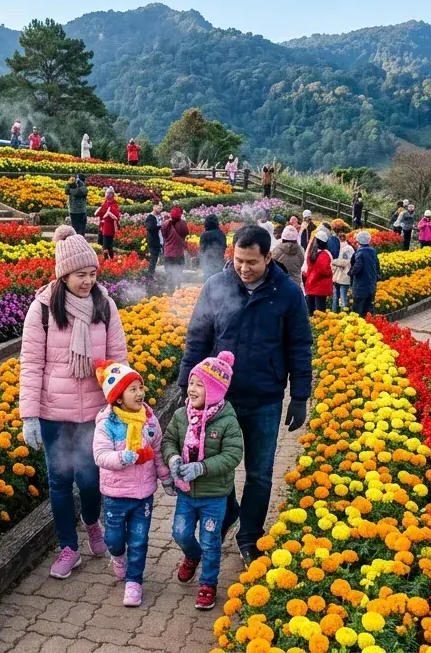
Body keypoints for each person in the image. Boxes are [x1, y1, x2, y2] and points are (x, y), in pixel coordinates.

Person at [178, 224, 312, 564]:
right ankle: (230, 509)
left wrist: (299, 395)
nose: (244, 268)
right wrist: (186, 386)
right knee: (220, 467)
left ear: (268, 257)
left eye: (252, 262)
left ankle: (250, 536)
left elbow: (299, 345)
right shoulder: (216, 286)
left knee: (260, 472)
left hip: (265, 398)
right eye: (238, 260)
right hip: (220, 402)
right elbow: (197, 339)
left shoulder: (288, 293)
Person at [18, 226, 129, 579]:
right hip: (53, 412)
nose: (87, 281)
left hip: (94, 413)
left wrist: (124, 405)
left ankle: (92, 522)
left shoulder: (105, 306)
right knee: (59, 480)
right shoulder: (42, 310)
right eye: (81, 275)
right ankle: (68, 547)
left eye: (92, 273)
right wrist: (29, 416)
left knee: (91, 479)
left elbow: (117, 361)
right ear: (63, 274)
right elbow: (31, 364)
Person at [165, 351, 244, 611]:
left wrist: (202, 467)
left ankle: (208, 583)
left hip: (214, 495)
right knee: (180, 532)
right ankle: (192, 554)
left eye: (200, 385)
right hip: (186, 493)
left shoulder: (227, 421)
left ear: (214, 390)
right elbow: (168, 442)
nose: (193, 389)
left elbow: (232, 455)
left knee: (211, 541)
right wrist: (174, 458)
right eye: (191, 383)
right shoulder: (180, 416)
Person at [92, 359, 170, 607]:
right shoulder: (107, 424)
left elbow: (157, 449)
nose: (140, 393)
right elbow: (100, 456)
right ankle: (118, 557)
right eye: (132, 389)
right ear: (117, 397)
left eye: (140, 387)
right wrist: (121, 458)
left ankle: (134, 582)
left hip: (143, 493)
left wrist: (165, 477)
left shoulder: (149, 420)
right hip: (115, 494)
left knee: (139, 539)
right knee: (114, 539)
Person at [303, 225, 333, 315]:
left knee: (311, 311)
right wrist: (330, 272)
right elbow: (324, 270)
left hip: (311, 282)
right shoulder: (324, 254)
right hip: (320, 285)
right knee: (320, 311)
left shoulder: (311, 253)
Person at [349, 230, 378, 316]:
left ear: (358, 241)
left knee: (357, 311)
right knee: (367, 310)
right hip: (371, 285)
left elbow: (358, 267)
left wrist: (350, 273)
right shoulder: (372, 252)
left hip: (360, 286)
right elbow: (377, 266)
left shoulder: (360, 253)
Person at [161, 206, 189, 291]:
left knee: (169, 273)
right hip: (179, 253)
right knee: (178, 272)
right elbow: (186, 234)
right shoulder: (183, 224)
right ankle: (178, 289)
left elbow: (164, 235)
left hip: (168, 254)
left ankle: (171, 291)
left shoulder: (166, 224)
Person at [93, 187, 121, 259]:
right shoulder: (105, 203)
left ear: (112, 195)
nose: (107, 195)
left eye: (109, 193)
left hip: (109, 229)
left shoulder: (114, 205)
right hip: (103, 227)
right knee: (104, 245)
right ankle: (109, 260)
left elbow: (116, 217)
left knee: (107, 247)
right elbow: (98, 213)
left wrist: (109, 213)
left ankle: (109, 260)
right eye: (107, 193)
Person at [331, 223, 354, 311]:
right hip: (339, 276)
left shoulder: (347, 248)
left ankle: (342, 314)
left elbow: (344, 262)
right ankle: (335, 313)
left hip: (344, 277)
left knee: (342, 298)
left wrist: (333, 261)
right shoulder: (344, 247)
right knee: (336, 297)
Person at [198, 215, 227, 281]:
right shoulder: (221, 234)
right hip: (219, 262)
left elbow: (202, 250)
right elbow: (224, 247)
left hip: (208, 263)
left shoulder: (205, 235)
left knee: (208, 282)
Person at [144, 202, 163, 275]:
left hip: (159, 241)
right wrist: (161, 226)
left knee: (156, 260)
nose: (161, 207)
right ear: (154, 206)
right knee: (153, 260)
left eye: (162, 206)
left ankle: (152, 275)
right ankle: (150, 277)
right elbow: (150, 228)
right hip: (154, 242)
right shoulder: (150, 217)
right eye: (159, 205)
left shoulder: (157, 216)